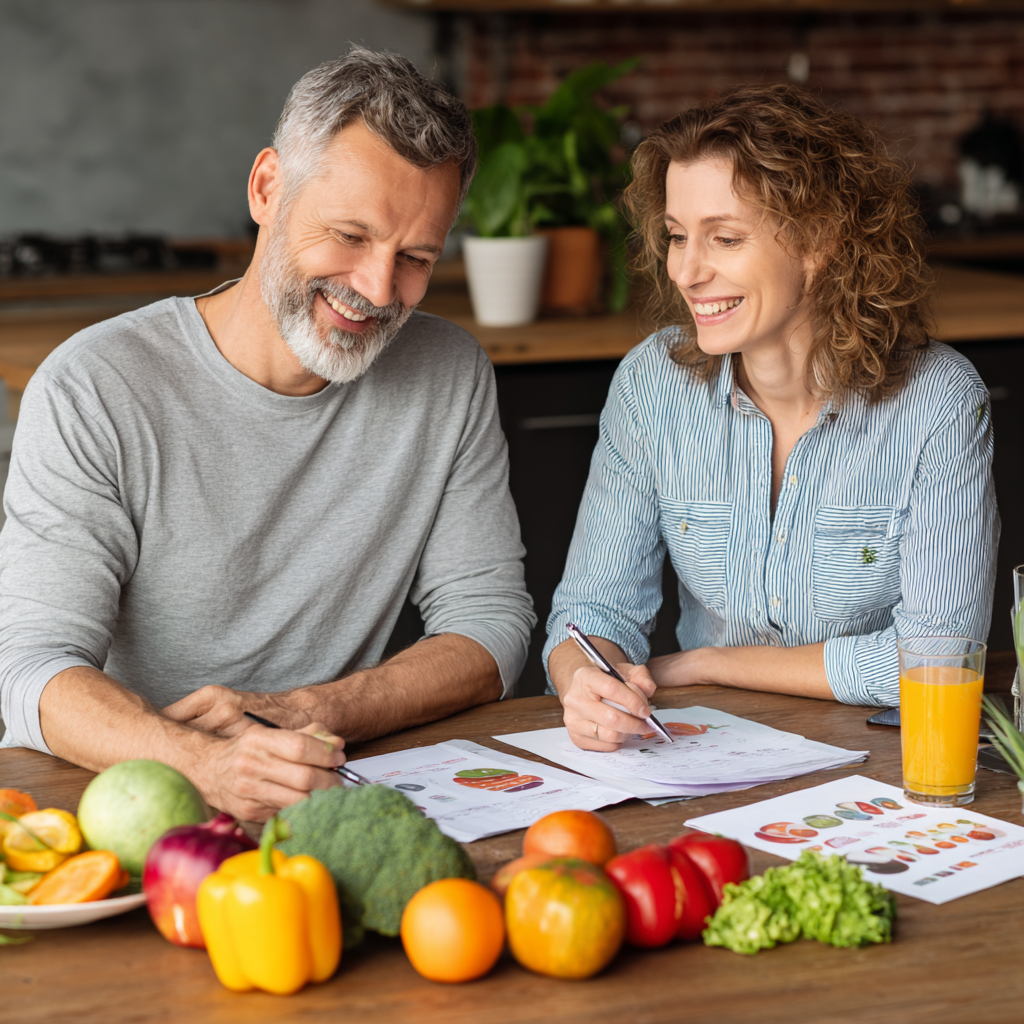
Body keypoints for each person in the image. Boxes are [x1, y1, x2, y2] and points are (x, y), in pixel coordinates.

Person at [0, 50, 535, 820]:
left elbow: (490, 626)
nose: (379, 290)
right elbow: (29, 667)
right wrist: (206, 763)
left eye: (415, 258)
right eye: (350, 235)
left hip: (324, 787)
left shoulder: (449, 373)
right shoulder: (94, 386)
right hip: (121, 800)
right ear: (266, 187)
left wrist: (312, 711)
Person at [545, 84, 998, 751]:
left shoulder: (939, 401)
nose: (688, 272)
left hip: (881, 761)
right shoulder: (651, 383)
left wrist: (707, 664)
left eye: (724, 238)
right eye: (676, 237)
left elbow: (939, 660)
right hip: (696, 751)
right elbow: (590, 614)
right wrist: (588, 679)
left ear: (819, 241)